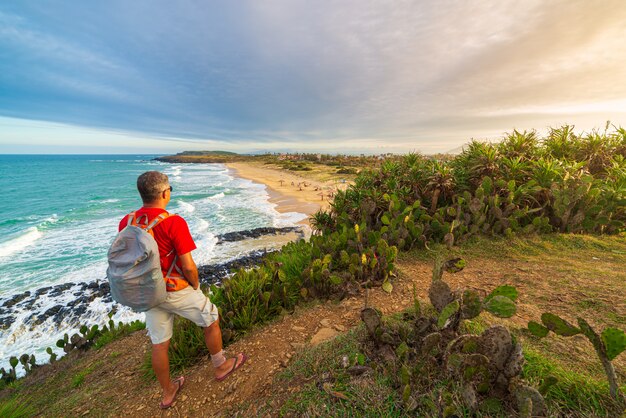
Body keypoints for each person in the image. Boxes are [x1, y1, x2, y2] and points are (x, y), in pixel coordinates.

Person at [119, 171, 247, 409]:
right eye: (170, 190)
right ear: (165, 193)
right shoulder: (173, 222)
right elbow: (188, 265)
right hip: (175, 289)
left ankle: (168, 392)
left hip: (148, 293)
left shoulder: (127, 222)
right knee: (211, 318)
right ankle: (220, 365)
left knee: (159, 344)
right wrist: (195, 284)